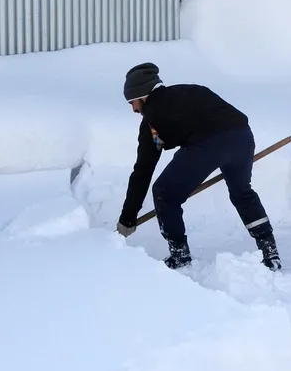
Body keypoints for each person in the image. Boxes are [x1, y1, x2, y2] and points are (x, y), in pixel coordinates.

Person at [114, 62, 282, 271]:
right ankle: (270, 250)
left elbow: (144, 170)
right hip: (242, 136)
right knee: (242, 193)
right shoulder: (191, 90)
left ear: (142, 95)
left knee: (164, 192)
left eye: (132, 102)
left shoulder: (152, 123)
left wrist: (128, 218)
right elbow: (220, 118)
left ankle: (180, 255)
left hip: (209, 145)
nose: (133, 109)